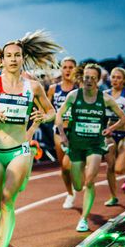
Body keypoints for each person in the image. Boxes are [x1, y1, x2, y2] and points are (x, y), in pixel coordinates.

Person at [0, 30, 58, 247]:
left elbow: (51, 112)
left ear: (23, 58)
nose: (13, 59)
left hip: (20, 149)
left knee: (6, 201)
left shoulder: (32, 87)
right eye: (8, 55)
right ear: (1, 60)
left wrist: (42, 118)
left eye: (17, 55)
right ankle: (0, 226)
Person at [56, 64, 125, 231]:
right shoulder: (74, 95)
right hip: (76, 144)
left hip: (95, 145)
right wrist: (63, 135)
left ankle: (83, 219)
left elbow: (123, 118)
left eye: (92, 78)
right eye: (86, 77)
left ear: (98, 80)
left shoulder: (105, 98)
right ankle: (77, 188)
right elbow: (59, 115)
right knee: (79, 185)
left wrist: (110, 129)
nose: (88, 80)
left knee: (89, 181)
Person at [47, 57, 78, 208]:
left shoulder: (80, 88)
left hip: (75, 131)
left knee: (67, 165)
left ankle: (75, 186)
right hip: (58, 130)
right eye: (65, 67)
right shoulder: (53, 88)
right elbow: (47, 107)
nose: (67, 70)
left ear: (75, 69)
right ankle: (70, 193)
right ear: (60, 69)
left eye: (71, 67)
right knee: (63, 169)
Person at [103, 67, 125, 204]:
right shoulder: (104, 94)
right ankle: (113, 197)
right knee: (110, 166)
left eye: (118, 77)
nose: (115, 80)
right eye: (113, 77)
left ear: (123, 80)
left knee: (119, 169)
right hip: (110, 133)